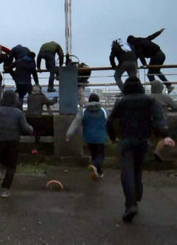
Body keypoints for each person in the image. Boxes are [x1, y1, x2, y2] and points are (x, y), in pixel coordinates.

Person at [106, 77, 175, 222]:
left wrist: (112, 137)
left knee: (127, 171)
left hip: (126, 140)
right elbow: (159, 119)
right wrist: (165, 135)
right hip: (143, 140)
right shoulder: (150, 100)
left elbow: (110, 121)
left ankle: (130, 205)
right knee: (137, 168)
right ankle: (138, 192)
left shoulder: (122, 101)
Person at [0, 90, 33, 198]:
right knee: (11, 166)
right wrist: (31, 129)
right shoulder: (18, 112)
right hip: (13, 141)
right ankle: (5, 189)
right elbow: (26, 129)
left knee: (0, 161)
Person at [66, 93, 108, 179]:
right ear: (98, 100)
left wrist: (69, 134)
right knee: (101, 155)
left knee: (94, 154)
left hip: (88, 137)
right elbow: (109, 122)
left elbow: (76, 123)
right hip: (100, 136)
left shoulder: (84, 111)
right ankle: (95, 166)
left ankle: (98, 172)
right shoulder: (103, 110)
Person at [127, 28, 174, 93]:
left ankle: (156, 91)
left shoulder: (136, 45)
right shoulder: (142, 40)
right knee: (157, 71)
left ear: (130, 43)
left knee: (150, 74)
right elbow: (151, 37)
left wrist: (144, 64)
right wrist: (159, 32)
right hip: (161, 55)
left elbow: (140, 55)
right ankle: (168, 85)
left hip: (156, 56)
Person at [150, 80, 177, 161]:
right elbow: (175, 107)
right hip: (162, 122)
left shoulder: (147, 97)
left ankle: (154, 151)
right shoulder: (165, 97)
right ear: (161, 88)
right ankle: (158, 151)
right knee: (166, 136)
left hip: (148, 122)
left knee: (155, 136)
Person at [26, 84, 57, 154]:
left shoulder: (29, 96)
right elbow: (50, 102)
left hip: (28, 117)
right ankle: (36, 148)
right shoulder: (41, 97)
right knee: (38, 131)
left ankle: (33, 147)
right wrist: (55, 99)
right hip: (37, 117)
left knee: (33, 130)